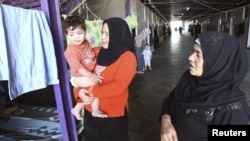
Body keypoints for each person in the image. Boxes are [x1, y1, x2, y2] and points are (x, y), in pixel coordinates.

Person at [160, 31, 250, 141]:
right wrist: (166, 122)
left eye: (198, 54)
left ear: (217, 62)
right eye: (192, 51)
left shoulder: (233, 111)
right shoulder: (189, 81)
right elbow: (170, 100)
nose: (190, 57)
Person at [75, 17, 136, 140]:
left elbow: (118, 87)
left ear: (118, 35)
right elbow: (78, 75)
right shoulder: (96, 51)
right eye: (102, 33)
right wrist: (79, 92)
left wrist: (90, 89)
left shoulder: (127, 57)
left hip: (113, 116)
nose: (102, 37)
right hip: (90, 111)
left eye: (107, 34)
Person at [63, 15, 107, 120]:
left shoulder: (86, 42)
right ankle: (95, 110)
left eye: (79, 33)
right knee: (95, 85)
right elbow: (78, 68)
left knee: (89, 90)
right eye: (72, 34)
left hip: (87, 73)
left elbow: (90, 55)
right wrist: (92, 76)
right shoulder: (71, 51)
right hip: (78, 76)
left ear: (85, 32)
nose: (77, 37)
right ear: (67, 35)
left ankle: (76, 109)